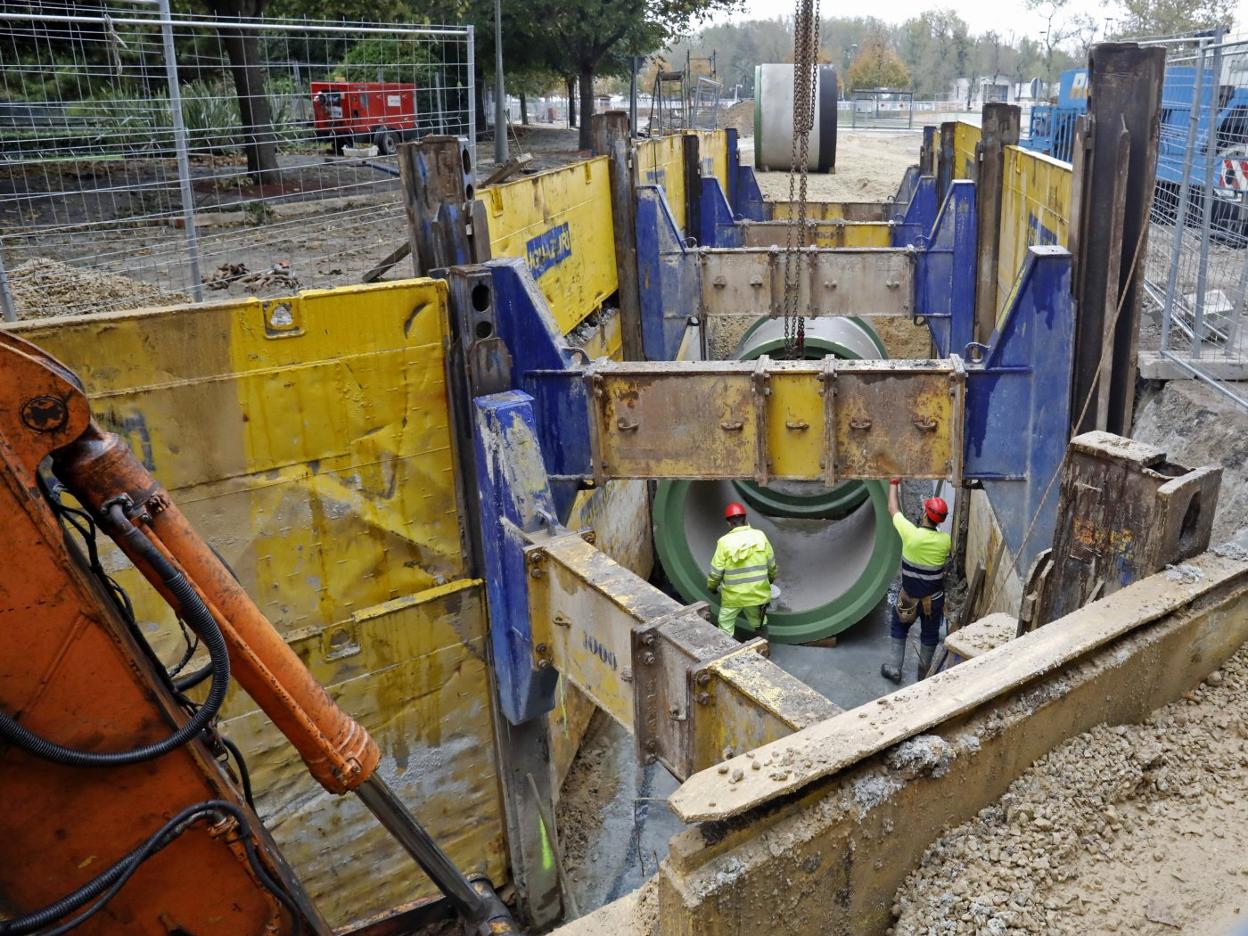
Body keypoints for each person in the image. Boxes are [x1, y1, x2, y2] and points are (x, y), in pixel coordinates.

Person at [881, 479, 951, 683]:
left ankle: (894, 669)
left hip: (908, 597)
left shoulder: (910, 534)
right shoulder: (945, 541)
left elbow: (892, 508)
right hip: (933, 600)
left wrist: (894, 483)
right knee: (929, 634)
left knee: (899, 627)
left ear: (925, 514)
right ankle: (924, 673)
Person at [706, 502, 777, 639]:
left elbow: (716, 572)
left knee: (725, 625)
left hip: (733, 597)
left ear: (729, 523)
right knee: (759, 622)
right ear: (746, 519)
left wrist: (712, 587)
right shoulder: (760, 536)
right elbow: (771, 565)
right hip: (757, 593)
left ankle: (726, 653)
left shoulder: (724, 542)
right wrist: (770, 580)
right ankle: (764, 649)